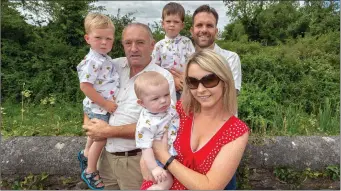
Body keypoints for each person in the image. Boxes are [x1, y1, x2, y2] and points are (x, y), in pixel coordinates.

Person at [82, 23, 176, 190]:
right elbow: (90, 96)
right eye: (128, 43)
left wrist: (108, 131)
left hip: (137, 161)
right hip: (105, 158)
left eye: (140, 42)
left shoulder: (162, 77)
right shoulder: (112, 66)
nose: (133, 48)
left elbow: (164, 126)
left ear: (152, 45)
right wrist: (89, 123)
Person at [140, 49, 249, 190]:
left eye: (209, 80)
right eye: (193, 82)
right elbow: (150, 130)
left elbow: (210, 187)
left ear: (225, 81)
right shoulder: (179, 110)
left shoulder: (236, 131)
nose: (200, 89)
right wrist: (144, 159)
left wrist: (164, 157)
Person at [76, 12, 119, 190]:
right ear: (88, 38)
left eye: (108, 38)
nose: (104, 42)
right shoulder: (93, 61)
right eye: (98, 37)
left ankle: (86, 153)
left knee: (95, 134)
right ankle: (90, 170)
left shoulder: (104, 58)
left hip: (99, 106)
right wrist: (106, 104)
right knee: (101, 136)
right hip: (98, 107)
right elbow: (85, 86)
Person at [170, 4, 242, 96]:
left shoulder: (230, 58)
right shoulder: (182, 58)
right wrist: (171, 81)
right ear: (192, 31)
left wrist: (188, 84)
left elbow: (231, 93)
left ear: (216, 32)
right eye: (199, 25)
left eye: (209, 25)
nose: (204, 30)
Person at [134, 71, 179, 190]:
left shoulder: (168, 106)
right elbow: (146, 148)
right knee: (166, 181)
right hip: (157, 159)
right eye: (155, 98)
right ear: (141, 103)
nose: (163, 100)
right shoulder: (146, 124)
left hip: (171, 151)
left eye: (166, 95)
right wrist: (154, 168)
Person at [152, 2, 195, 100]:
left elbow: (193, 63)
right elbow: (155, 68)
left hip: (185, 86)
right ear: (163, 24)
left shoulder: (187, 42)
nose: (172, 25)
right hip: (165, 87)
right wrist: (171, 79)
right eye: (168, 21)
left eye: (176, 22)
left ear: (182, 25)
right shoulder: (159, 46)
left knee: (185, 111)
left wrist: (185, 78)